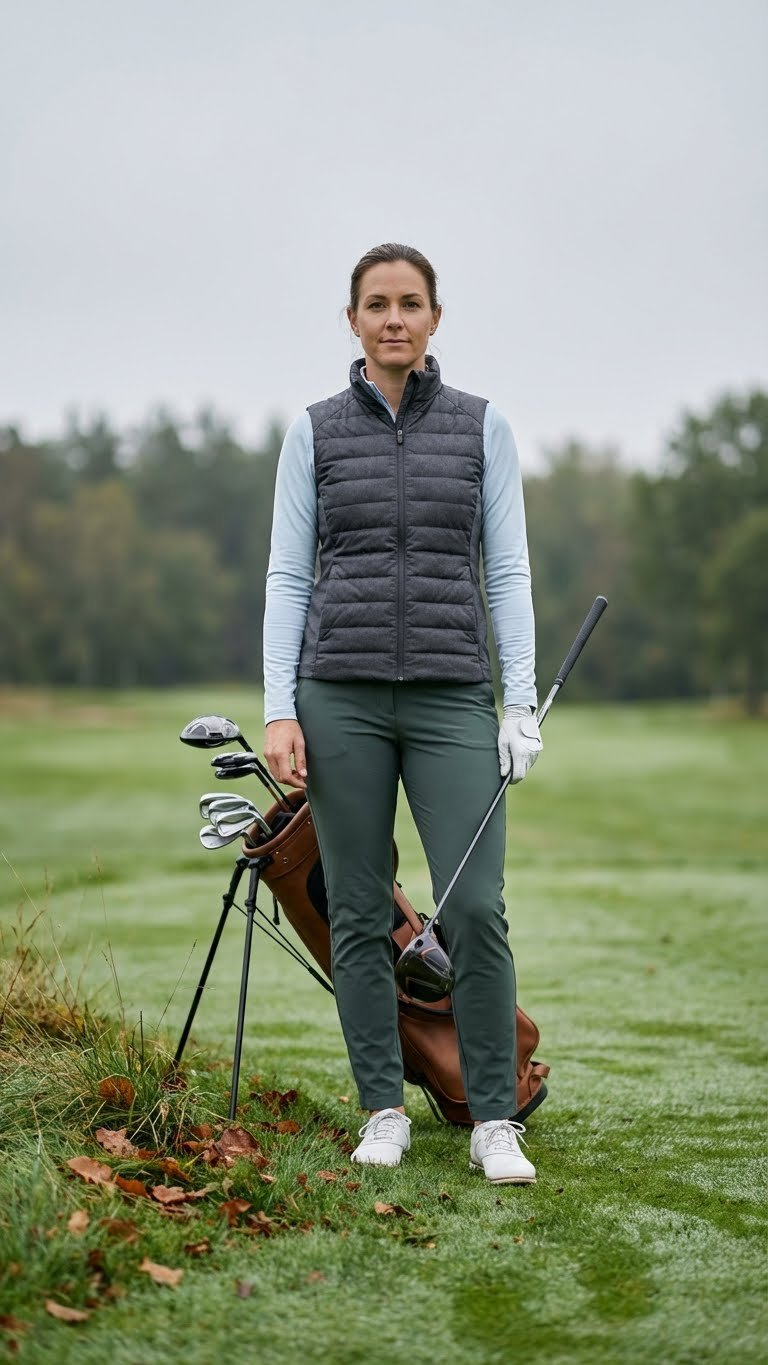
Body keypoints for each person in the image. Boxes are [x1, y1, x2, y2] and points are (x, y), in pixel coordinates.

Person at [263, 243, 542, 1185]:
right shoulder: (312, 432)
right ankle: (383, 1106)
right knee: (353, 903)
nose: (393, 318)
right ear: (352, 320)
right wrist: (278, 708)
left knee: (473, 906)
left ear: (433, 318)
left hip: (452, 694)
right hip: (336, 695)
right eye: (376, 303)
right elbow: (288, 575)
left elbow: (506, 570)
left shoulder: (480, 427)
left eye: (410, 303)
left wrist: (521, 701)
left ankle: (493, 1115)